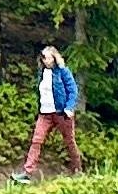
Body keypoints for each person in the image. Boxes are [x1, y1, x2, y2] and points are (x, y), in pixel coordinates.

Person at [22, 44, 85, 176]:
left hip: (61, 113)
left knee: (69, 142)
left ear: (54, 58)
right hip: (45, 113)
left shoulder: (63, 71)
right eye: (44, 58)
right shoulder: (42, 73)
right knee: (36, 140)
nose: (46, 61)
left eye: (48, 58)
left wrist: (69, 107)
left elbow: (73, 90)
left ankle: (77, 169)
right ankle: (27, 172)